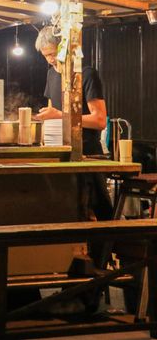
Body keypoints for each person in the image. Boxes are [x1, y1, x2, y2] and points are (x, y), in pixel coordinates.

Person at [34, 25, 112, 220]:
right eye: (45, 56)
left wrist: (59, 114)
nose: (50, 60)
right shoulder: (51, 75)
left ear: (64, 48)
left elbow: (100, 120)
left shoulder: (86, 74)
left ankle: (104, 250)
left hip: (88, 152)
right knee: (70, 210)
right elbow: (53, 111)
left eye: (52, 54)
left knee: (100, 209)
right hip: (60, 152)